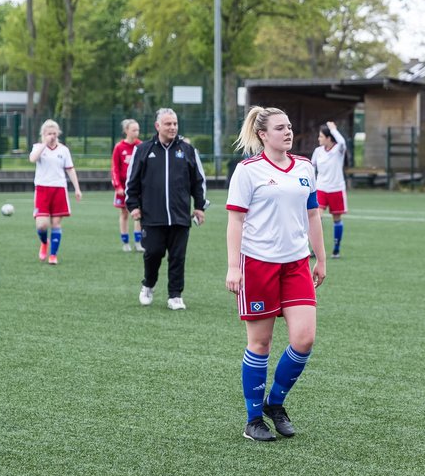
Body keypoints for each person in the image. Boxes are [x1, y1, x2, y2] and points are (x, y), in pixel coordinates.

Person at [226, 106, 327, 442]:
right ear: (262, 135)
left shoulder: (304, 167)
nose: (288, 132)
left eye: (290, 126)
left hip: (296, 264)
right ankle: (253, 420)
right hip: (257, 264)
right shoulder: (247, 171)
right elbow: (235, 221)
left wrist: (321, 258)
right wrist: (232, 266)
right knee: (260, 342)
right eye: (280, 128)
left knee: (304, 338)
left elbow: (313, 214)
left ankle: (275, 403)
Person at [124, 108, 208, 310]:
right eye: (168, 124)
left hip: (180, 215)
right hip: (152, 215)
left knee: (178, 257)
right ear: (157, 126)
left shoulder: (188, 151)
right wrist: (133, 206)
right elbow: (131, 182)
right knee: (153, 253)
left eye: (175, 124)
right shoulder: (143, 150)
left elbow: (199, 181)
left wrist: (199, 206)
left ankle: (175, 295)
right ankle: (148, 284)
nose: (172, 127)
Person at [28, 119, 82, 266]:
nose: (52, 135)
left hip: (59, 188)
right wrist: (44, 144)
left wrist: (77, 188)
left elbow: (70, 169)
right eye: (49, 133)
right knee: (42, 225)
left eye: (54, 133)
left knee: (56, 223)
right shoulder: (38, 147)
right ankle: (44, 242)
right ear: (43, 134)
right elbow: (32, 159)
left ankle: (53, 255)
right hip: (42, 189)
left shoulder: (63, 150)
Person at [312, 120, 349, 259]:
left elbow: (342, 143)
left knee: (336, 219)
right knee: (317, 217)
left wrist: (334, 130)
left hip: (336, 189)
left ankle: (336, 249)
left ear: (328, 138)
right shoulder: (318, 151)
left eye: (321, 136)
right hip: (321, 188)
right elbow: (312, 167)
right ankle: (316, 249)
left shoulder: (338, 150)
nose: (319, 139)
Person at [111, 118, 143, 252]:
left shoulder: (141, 146)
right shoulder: (119, 147)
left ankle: (138, 242)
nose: (136, 132)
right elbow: (115, 168)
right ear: (126, 131)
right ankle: (125, 242)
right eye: (134, 130)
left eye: (138, 130)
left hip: (137, 187)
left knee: (138, 213)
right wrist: (118, 186)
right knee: (124, 213)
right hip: (123, 188)